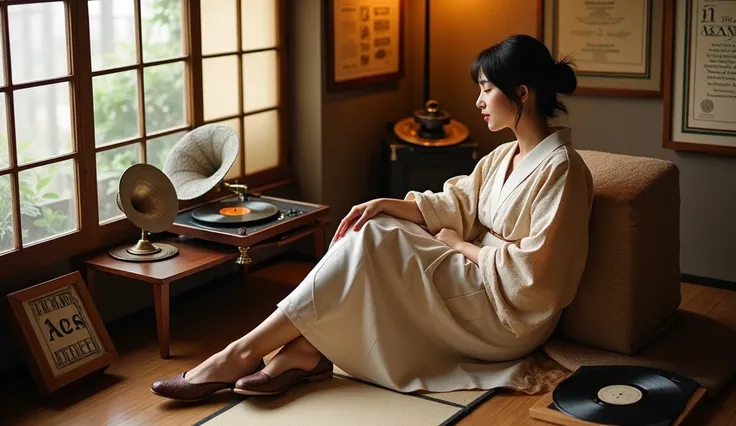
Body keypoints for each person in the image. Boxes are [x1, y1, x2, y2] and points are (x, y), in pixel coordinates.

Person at [150, 34, 594, 402]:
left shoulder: (564, 171)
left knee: (378, 243)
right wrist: (383, 204)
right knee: (375, 228)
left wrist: (459, 246)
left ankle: (242, 353)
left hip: (507, 314)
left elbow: (538, 277)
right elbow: (452, 203)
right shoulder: (502, 156)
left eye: (486, 88)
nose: (478, 100)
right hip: (476, 282)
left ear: (521, 93)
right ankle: (301, 350)